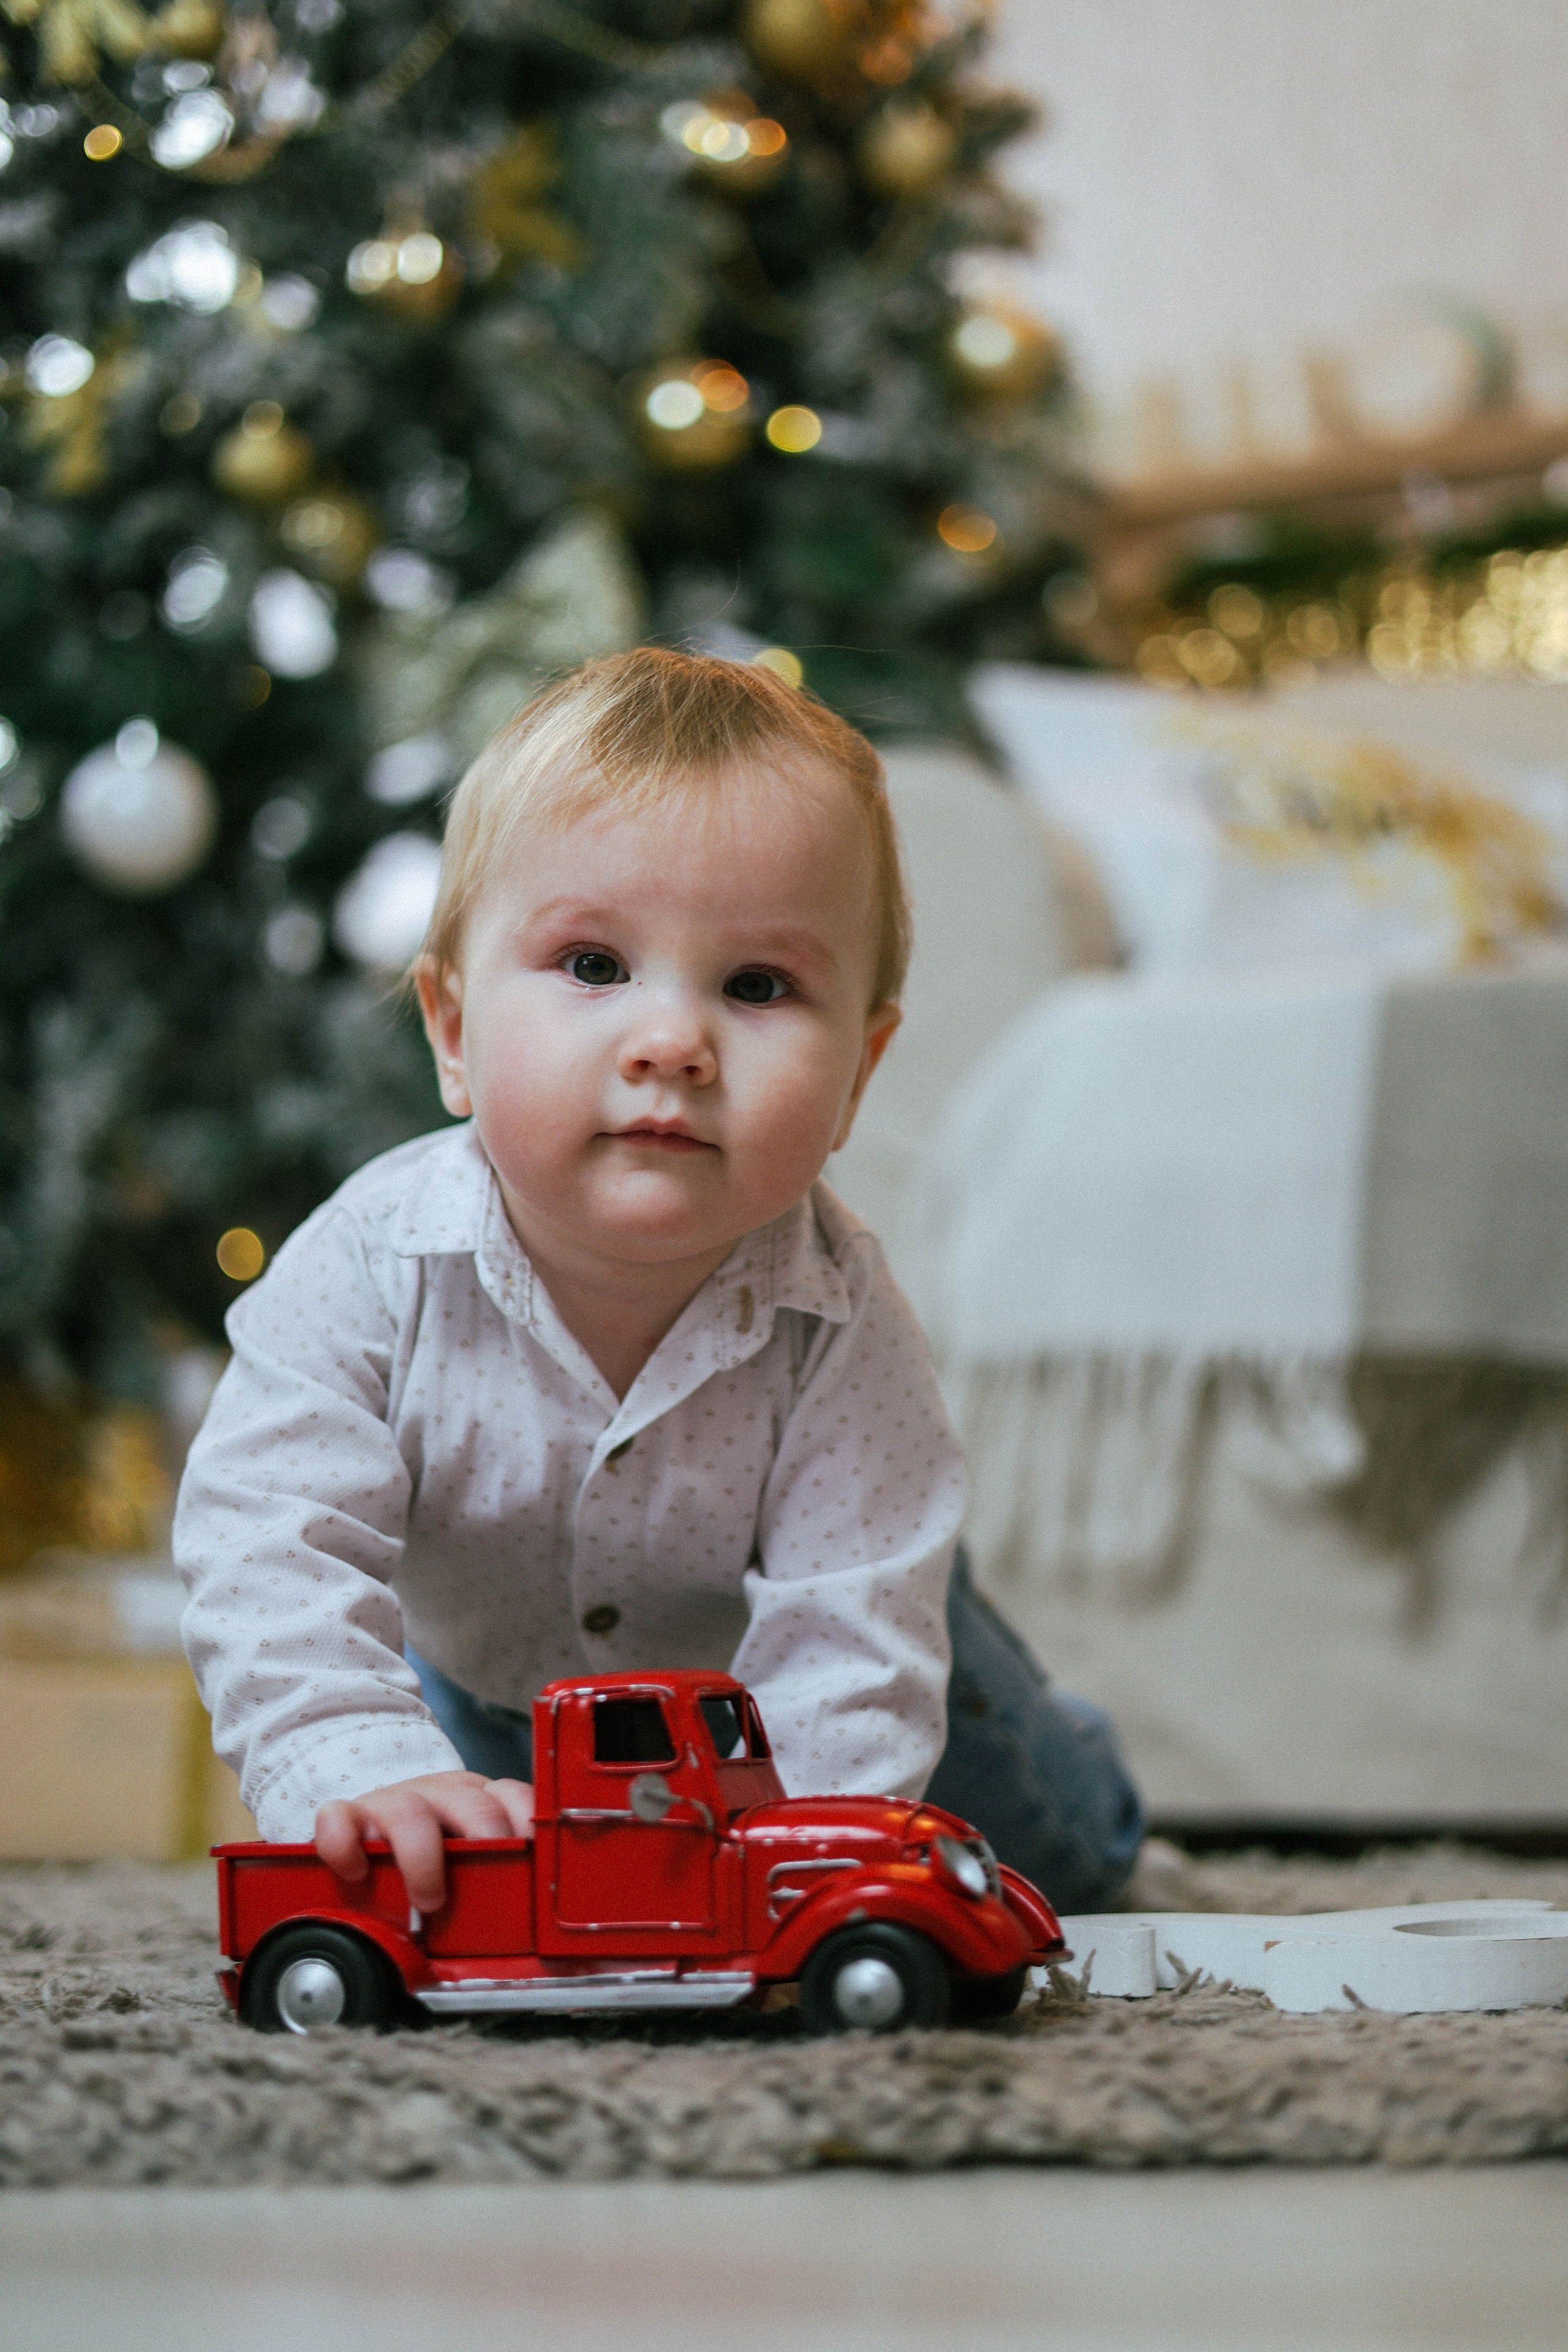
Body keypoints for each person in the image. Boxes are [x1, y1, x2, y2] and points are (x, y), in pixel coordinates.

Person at [175, 648, 1142, 1918]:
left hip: (821, 1676)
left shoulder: (837, 1310)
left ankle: (1090, 1770)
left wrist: (798, 1881)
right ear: (454, 1033)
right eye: (591, 965)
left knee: (1038, 1854)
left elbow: (847, 1646)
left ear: (858, 1070)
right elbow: (267, 1537)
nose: (671, 1044)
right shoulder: (367, 1268)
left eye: (756, 986)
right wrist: (357, 1763)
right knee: (458, 1889)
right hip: (479, 1698)